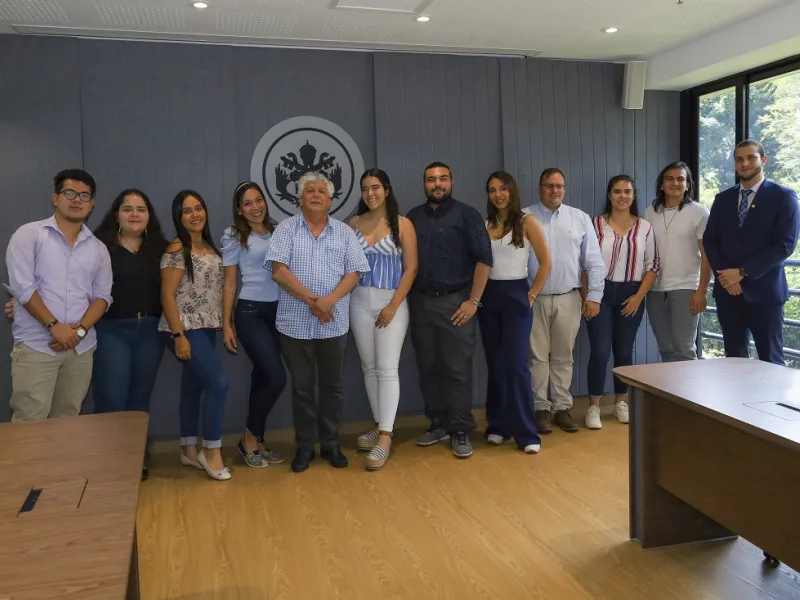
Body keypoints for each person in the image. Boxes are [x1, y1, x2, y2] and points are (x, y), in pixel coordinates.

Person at [265, 171, 371, 473]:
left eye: (321, 191)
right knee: (302, 389)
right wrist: (314, 301)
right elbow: (278, 271)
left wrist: (329, 301)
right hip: (294, 324)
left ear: (330, 200)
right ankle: (304, 447)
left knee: (332, 388)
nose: (315, 195)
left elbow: (355, 273)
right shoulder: (286, 229)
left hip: (333, 324)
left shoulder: (344, 232)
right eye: (309, 191)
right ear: (300, 198)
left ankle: (331, 444)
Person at [5, 169, 112, 422]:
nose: (77, 200)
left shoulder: (98, 249)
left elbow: (102, 297)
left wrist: (79, 332)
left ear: (91, 204)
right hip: (36, 345)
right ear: (56, 198)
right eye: (69, 193)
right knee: (30, 421)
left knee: (68, 421)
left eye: (84, 196)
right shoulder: (29, 235)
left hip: (80, 348)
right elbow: (23, 288)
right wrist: (54, 327)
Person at [406, 161, 493, 459]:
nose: (437, 184)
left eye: (443, 178)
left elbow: (484, 260)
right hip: (420, 302)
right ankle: (438, 423)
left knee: (457, 369)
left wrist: (474, 301)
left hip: (457, 302)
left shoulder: (467, 215)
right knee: (428, 367)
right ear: (424, 184)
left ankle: (460, 429)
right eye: (431, 179)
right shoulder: (413, 218)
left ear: (452, 182)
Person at [92, 189, 169, 481]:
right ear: (116, 214)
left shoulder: (162, 248)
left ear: (149, 215)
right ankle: (108, 461)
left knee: (140, 397)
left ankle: (135, 459)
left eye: (141, 209)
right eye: (128, 209)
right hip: (112, 330)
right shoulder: (98, 247)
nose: (134, 214)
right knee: (111, 397)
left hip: (150, 331)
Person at [523, 168, 605, 434]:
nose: (554, 191)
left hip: (569, 298)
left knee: (563, 356)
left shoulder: (579, 218)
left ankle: (561, 407)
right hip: (533, 298)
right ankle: (540, 408)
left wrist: (594, 296)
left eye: (559, 186)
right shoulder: (524, 217)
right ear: (540, 188)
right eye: (549, 185)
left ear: (565, 189)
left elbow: (594, 262)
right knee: (536, 357)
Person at [703, 139, 800, 365]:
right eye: (739, 159)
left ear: (763, 160)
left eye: (751, 158)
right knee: (734, 361)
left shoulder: (783, 196)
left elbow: (785, 245)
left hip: (765, 293)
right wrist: (725, 277)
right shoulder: (722, 199)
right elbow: (710, 240)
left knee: (770, 360)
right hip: (728, 293)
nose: (744, 163)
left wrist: (742, 272)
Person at [348, 168, 418, 470]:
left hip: (392, 302)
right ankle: (379, 424)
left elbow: (411, 269)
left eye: (375, 187)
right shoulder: (352, 224)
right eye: (365, 189)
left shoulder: (403, 224)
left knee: (387, 369)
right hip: (359, 302)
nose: (370, 193)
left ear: (386, 190)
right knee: (369, 367)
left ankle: (386, 437)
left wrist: (392, 305)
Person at [160, 190, 230, 481]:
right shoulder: (177, 247)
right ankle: (211, 450)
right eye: (187, 211)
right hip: (183, 327)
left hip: (206, 325)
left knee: (193, 386)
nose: (194, 214)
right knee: (218, 382)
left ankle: (188, 449)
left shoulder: (209, 246)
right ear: (178, 217)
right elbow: (166, 294)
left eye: (198, 208)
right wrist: (178, 335)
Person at [480, 171, 551, 454]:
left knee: (516, 366)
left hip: (516, 296)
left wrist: (531, 295)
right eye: (492, 190)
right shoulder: (485, 224)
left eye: (503, 189)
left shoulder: (526, 222)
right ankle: (498, 426)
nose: (498, 195)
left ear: (512, 191)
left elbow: (546, 263)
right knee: (495, 364)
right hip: (489, 297)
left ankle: (525, 432)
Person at [221, 181, 287, 469]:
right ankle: (249, 437)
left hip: (279, 312)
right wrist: (227, 324)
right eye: (247, 203)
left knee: (263, 376)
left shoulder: (278, 230)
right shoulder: (233, 235)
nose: (255, 207)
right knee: (276, 376)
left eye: (258, 200)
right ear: (239, 210)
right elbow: (229, 283)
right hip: (250, 312)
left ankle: (256, 439)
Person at [585, 175, 659, 429]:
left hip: (631, 293)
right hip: (600, 293)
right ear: (609, 195)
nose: (622, 196)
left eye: (627, 191)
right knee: (600, 351)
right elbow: (584, 263)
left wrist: (639, 297)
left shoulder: (645, 227)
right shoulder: (595, 224)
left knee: (624, 351)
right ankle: (594, 406)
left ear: (634, 195)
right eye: (617, 191)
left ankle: (621, 402)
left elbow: (653, 266)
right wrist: (588, 296)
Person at [645, 162, 710, 362]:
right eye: (669, 179)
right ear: (661, 184)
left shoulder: (699, 212)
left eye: (681, 179)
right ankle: (668, 385)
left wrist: (702, 291)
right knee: (665, 348)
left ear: (688, 185)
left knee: (684, 348)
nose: (675, 183)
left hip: (686, 286)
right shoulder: (649, 213)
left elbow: (707, 255)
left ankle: (688, 384)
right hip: (655, 289)